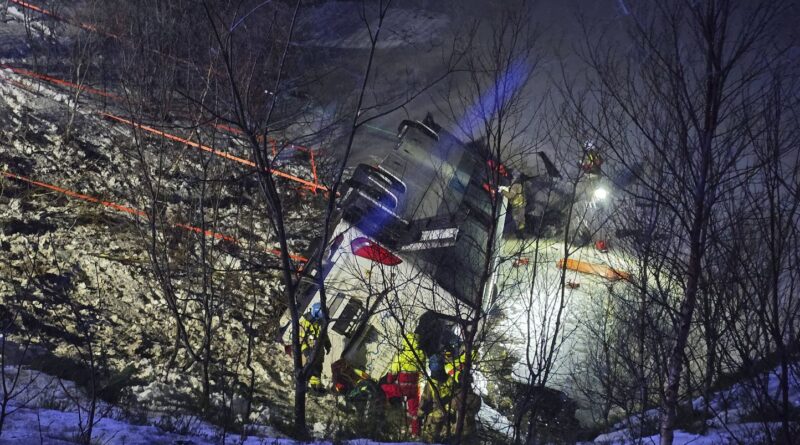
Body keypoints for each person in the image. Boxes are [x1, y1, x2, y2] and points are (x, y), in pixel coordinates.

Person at [381, 332, 425, 436]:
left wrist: (389, 381)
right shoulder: (421, 354)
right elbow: (422, 371)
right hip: (414, 388)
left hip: (401, 389)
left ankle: (386, 413)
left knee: (383, 387)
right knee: (414, 412)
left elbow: (392, 375)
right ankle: (416, 434)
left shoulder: (401, 356)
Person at [299, 302, 330, 392]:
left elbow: (324, 334)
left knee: (318, 368)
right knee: (307, 369)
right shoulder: (304, 323)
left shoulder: (320, 322)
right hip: (308, 351)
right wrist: (306, 351)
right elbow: (300, 339)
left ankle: (316, 386)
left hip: (318, 351)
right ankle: (302, 387)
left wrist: (327, 344)